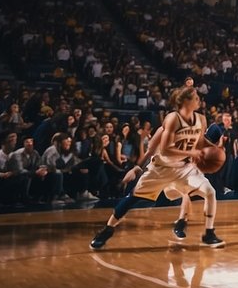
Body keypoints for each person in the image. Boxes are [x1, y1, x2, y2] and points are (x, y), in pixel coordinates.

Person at [91, 86, 226, 250]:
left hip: (185, 168)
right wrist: (137, 168)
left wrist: (215, 150)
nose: (199, 99)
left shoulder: (201, 120)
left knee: (210, 192)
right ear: (185, 101)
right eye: (195, 97)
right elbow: (165, 148)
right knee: (133, 198)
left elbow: (200, 142)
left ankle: (209, 233)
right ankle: (108, 229)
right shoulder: (172, 119)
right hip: (162, 167)